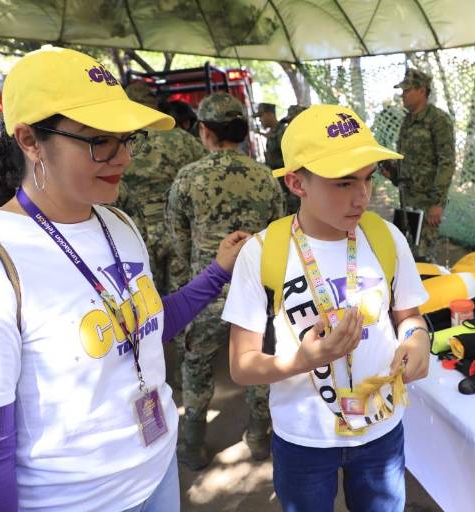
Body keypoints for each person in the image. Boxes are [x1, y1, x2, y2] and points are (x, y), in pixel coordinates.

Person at [0, 47, 249, 512]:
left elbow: (149, 325)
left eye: (126, 138)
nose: (122, 157)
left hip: (158, 475)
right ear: (30, 140)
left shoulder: (116, 222)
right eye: (99, 139)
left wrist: (217, 272)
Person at [223, 104, 431, 511]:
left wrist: (418, 339)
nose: (362, 197)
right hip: (304, 438)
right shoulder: (263, 252)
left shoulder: (386, 237)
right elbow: (241, 366)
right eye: (344, 183)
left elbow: (409, 316)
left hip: (380, 431)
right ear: (298, 183)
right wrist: (303, 360)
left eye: (369, 179)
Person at [167, 92, 285, 468]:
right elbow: (278, 236)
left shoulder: (188, 178)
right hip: (255, 296)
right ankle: (259, 437)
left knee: (197, 368)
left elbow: (178, 243)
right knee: (259, 365)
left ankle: (193, 444)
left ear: (204, 130)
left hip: (206, 293)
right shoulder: (266, 178)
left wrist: (186, 291)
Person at [118, 82, 207, 296]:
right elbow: (203, 176)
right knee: (181, 296)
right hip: (177, 228)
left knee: (145, 297)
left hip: (134, 230)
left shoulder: (118, 141)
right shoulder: (182, 139)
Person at [382, 68, 455, 262]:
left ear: (422, 91)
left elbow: (446, 162)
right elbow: (409, 160)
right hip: (407, 201)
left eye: (407, 91)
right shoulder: (408, 121)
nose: (402, 95)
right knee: (405, 253)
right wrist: (393, 173)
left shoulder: (438, 120)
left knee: (423, 258)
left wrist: (437, 203)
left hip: (427, 202)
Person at [255, 102, 283, 170]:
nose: (259, 119)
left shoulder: (282, 132)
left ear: (270, 114)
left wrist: (271, 159)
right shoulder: (273, 132)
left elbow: (290, 160)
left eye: (261, 116)